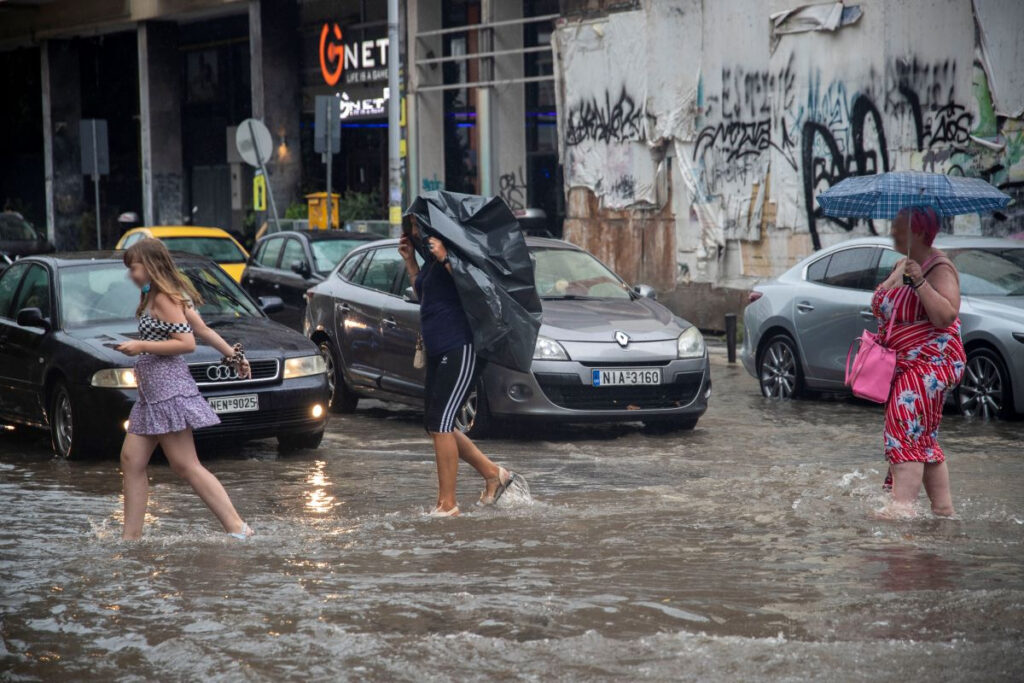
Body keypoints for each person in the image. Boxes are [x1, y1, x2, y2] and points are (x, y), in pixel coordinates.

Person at [117, 238, 254, 540]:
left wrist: (140, 345)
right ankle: (131, 538)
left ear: (150, 266)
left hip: (167, 388)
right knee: (132, 460)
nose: (131, 274)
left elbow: (187, 343)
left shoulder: (165, 297)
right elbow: (203, 329)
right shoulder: (158, 294)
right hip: (151, 393)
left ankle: (238, 527)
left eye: (134, 267)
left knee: (185, 465)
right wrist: (235, 357)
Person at [399, 217, 517, 517]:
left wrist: (447, 258)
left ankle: (448, 504)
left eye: (416, 226)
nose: (413, 233)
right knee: (435, 424)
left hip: (460, 345)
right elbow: (426, 297)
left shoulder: (459, 254)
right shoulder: (429, 262)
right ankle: (493, 474)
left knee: (441, 421)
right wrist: (411, 262)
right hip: (438, 348)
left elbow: (476, 291)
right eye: (410, 228)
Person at [872, 205, 965, 517]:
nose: (893, 231)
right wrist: (899, 277)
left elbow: (946, 315)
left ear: (921, 232)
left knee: (904, 432)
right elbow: (881, 302)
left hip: (928, 367)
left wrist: (920, 282)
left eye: (899, 226)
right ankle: (943, 512)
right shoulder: (903, 262)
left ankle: (902, 512)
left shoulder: (939, 268)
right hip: (904, 365)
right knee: (923, 439)